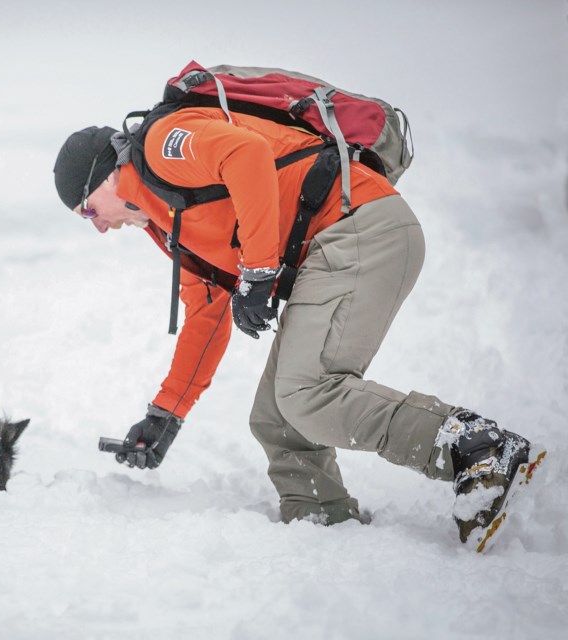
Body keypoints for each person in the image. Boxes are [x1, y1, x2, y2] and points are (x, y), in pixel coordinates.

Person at [53, 102, 545, 549]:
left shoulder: (162, 144)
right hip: (335, 245)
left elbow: (245, 154)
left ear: (106, 174)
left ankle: (478, 449)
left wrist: (260, 270)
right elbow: (205, 313)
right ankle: (326, 530)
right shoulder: (168, 218)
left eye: (89, 210)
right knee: (276, 420)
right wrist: (166, 413)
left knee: (305, 391)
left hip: (359, 225)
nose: (98, 225)